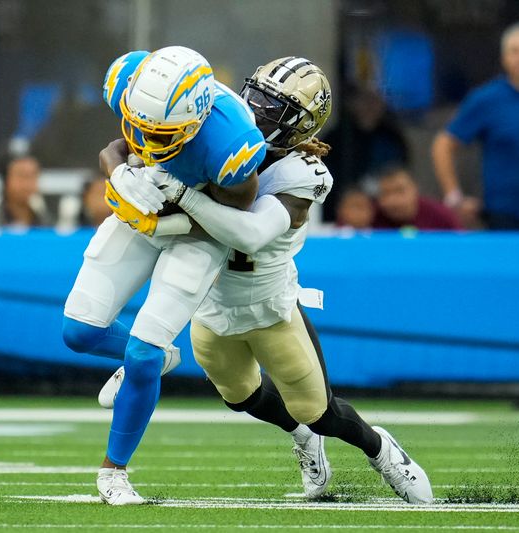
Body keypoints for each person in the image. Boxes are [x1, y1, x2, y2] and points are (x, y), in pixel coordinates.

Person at [102, 57, 433, 505]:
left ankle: (380, 450)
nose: (253, 108)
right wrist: (122, 172)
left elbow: (247, 231)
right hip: (212, 304)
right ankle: (300, 437)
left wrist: (176, 197)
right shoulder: (212, 128)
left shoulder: (302, 174)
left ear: (299, 125)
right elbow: (120, 144)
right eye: (254, 94)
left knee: (319, 411)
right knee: (239, 397)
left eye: (272, 106)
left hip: (269, 307)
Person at [62, 46, 265, 505]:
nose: (148, 143)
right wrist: (118, 174)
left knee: (141, 355)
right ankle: (159, 360)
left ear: (195, 118)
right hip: (147, 207)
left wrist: (175, 217)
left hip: (199, 231)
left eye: (164, 134)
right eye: (142, 126)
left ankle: (114, 472)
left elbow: (234, 220)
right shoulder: (131, 83)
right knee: (78, 331)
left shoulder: (231, 142)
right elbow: (116, 148)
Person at [431, 22, 519, 230]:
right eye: (515, 52)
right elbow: (443, 145)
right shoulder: (487, 99)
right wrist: (454, 197)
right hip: (504, 217)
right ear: (504, 59)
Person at [322, 86, 410, 222]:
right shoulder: (336, 138)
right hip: (339, 208)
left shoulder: (392, 137)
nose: (370, 107)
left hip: (385, 210)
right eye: (364, 101)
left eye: (374, 101)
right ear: (352, 104)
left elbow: (401, 172)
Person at [373, 165, 461, 230]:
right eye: (386, 193)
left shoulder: (441, 216)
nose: (393, 200)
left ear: (415, 190)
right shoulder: (372, 216)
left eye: (400, 191)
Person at [0, 155, 51, 227]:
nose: (28, 184)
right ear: (5, 181)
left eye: (33, 176)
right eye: (21, 176)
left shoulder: (45, 223)